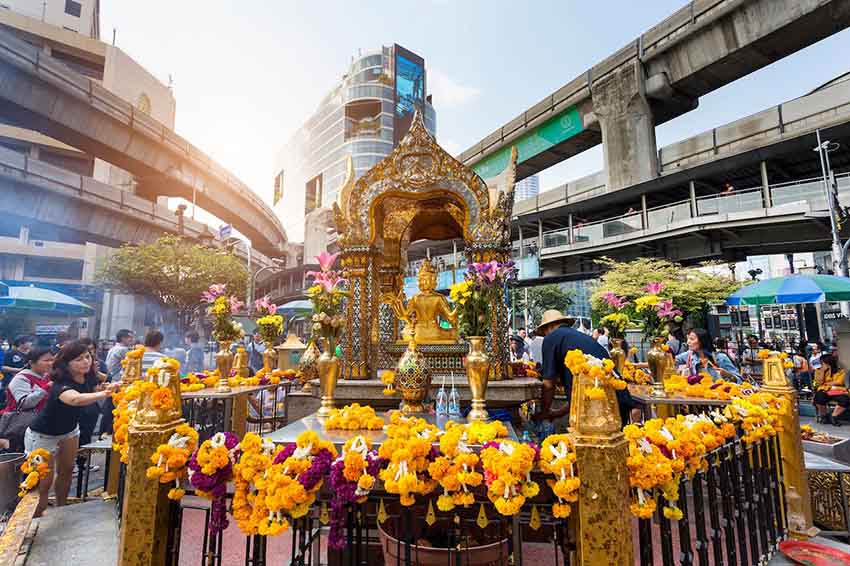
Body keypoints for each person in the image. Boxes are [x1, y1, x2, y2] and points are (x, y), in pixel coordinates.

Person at [25, 341, 119, 517]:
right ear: (66, 363)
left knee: (67, 471)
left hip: (69, 431)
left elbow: (108, 380)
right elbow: (75, 399)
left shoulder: (89, 376)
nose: (85, 361)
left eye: (87, 357)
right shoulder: (59, 383)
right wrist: (105, 393)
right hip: (42, 435)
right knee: (42, 482)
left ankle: (61, 509)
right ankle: (35, 518)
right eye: (78, 359)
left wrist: (112, 385)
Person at [535, 310, 635, 428]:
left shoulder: (551, 338)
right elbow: (581, 390)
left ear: (549, 327)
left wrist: (544, 413)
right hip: (618, 401)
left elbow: (548, 384)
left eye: (545, 332)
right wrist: (558, 413)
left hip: (598, 408)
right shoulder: (581, 338)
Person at [0, 348, 54, 452]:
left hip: (41, 425)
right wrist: (46, 389)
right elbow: (24, 403)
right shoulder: (21, 378)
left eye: (52, 360)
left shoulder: (47, 377)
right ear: (31, 363)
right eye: (46, 360)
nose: (50, 363)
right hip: (21, 425)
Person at [675, 329, 741, 382]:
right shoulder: (689, 355)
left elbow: (739, 380)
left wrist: (728, 375)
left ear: (702, 341)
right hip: (699, 395)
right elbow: (671, 360)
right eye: (688, 339)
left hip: (720, 395)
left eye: (692, 339)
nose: (688, 342)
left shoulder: (720, 358)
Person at [813, 353, 848, 425]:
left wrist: (826, 384)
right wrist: (822, 371)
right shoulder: (818, 371)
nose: (821, 364)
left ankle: (834, 416)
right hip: (824, 390)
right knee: (819, 398)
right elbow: (819, 383)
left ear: (829, 363)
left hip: (836, 390)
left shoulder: (840, 370)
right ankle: (824, 416)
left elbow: (839, 381)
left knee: (845, 400)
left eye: (823, 362)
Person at [2, 336, 33, 404]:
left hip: (28, 383)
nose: (31, 343)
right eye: (28, 341)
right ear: (21, 343)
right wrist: (19, 370)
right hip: (11, 382)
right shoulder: (11, 353)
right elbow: (3, 368)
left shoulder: (31, 354)